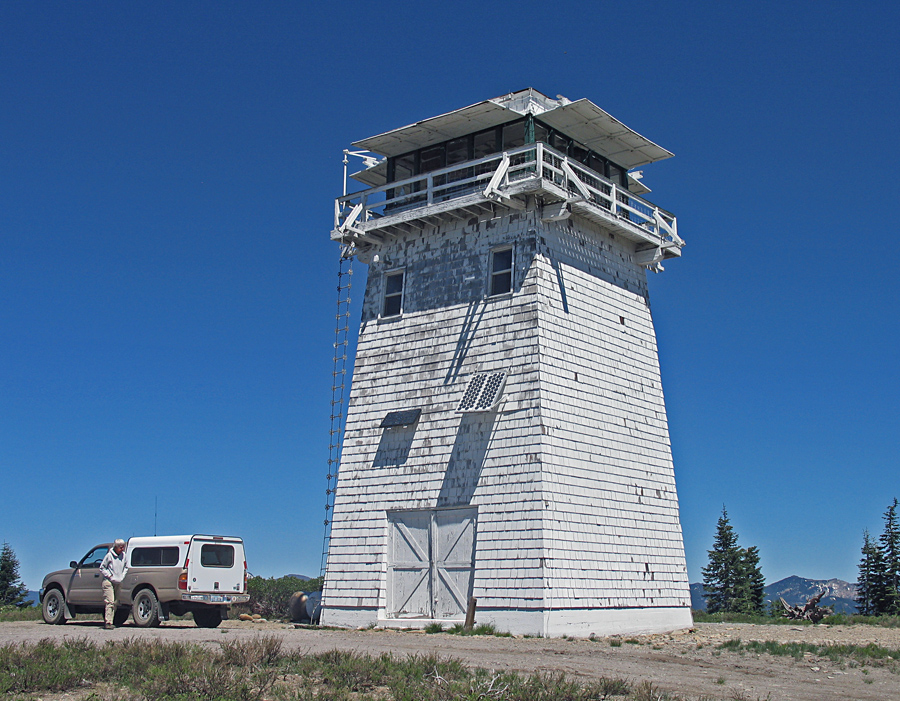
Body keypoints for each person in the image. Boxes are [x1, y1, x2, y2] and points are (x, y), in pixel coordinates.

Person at [99, 539, 128, 629]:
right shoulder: (109, 556)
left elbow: (126, 567)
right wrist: (110, 575)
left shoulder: (124, 556)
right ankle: (108, 622)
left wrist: (122, 576)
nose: (122, 549)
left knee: (115, 602)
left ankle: (111, 620)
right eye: (121, 547)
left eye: (123, 547)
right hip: (109, 581)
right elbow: (102, 567)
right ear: (116, 547)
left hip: (118, 581)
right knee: (110, 601)